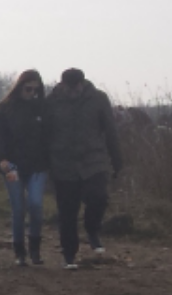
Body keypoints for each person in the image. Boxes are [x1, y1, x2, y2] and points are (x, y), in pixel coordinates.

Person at [47, 68, 123, 270]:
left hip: (93, 160)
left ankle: (92, 229)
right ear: (62, 85)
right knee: (67, 212)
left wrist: (117, 161)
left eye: (76, 88)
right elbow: (44, 133)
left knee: (99, 197)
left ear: (82, 83)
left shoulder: (98, 99)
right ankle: (69, 255)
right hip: (62, 163)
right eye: (69, 88)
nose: (73, 92)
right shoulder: (52, 102)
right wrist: (44, 164)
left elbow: (110, 130)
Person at [0, 70, 49, 267]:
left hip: (38, 165)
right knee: (18, 208)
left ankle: (35, 248)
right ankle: (19, 251)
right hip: (12, 165)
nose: (31, 93)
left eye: (35, 90)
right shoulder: (5, 109)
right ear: (20, 87)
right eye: (28, 89)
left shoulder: (42, 109)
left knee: (36, 204)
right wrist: (0, 159)